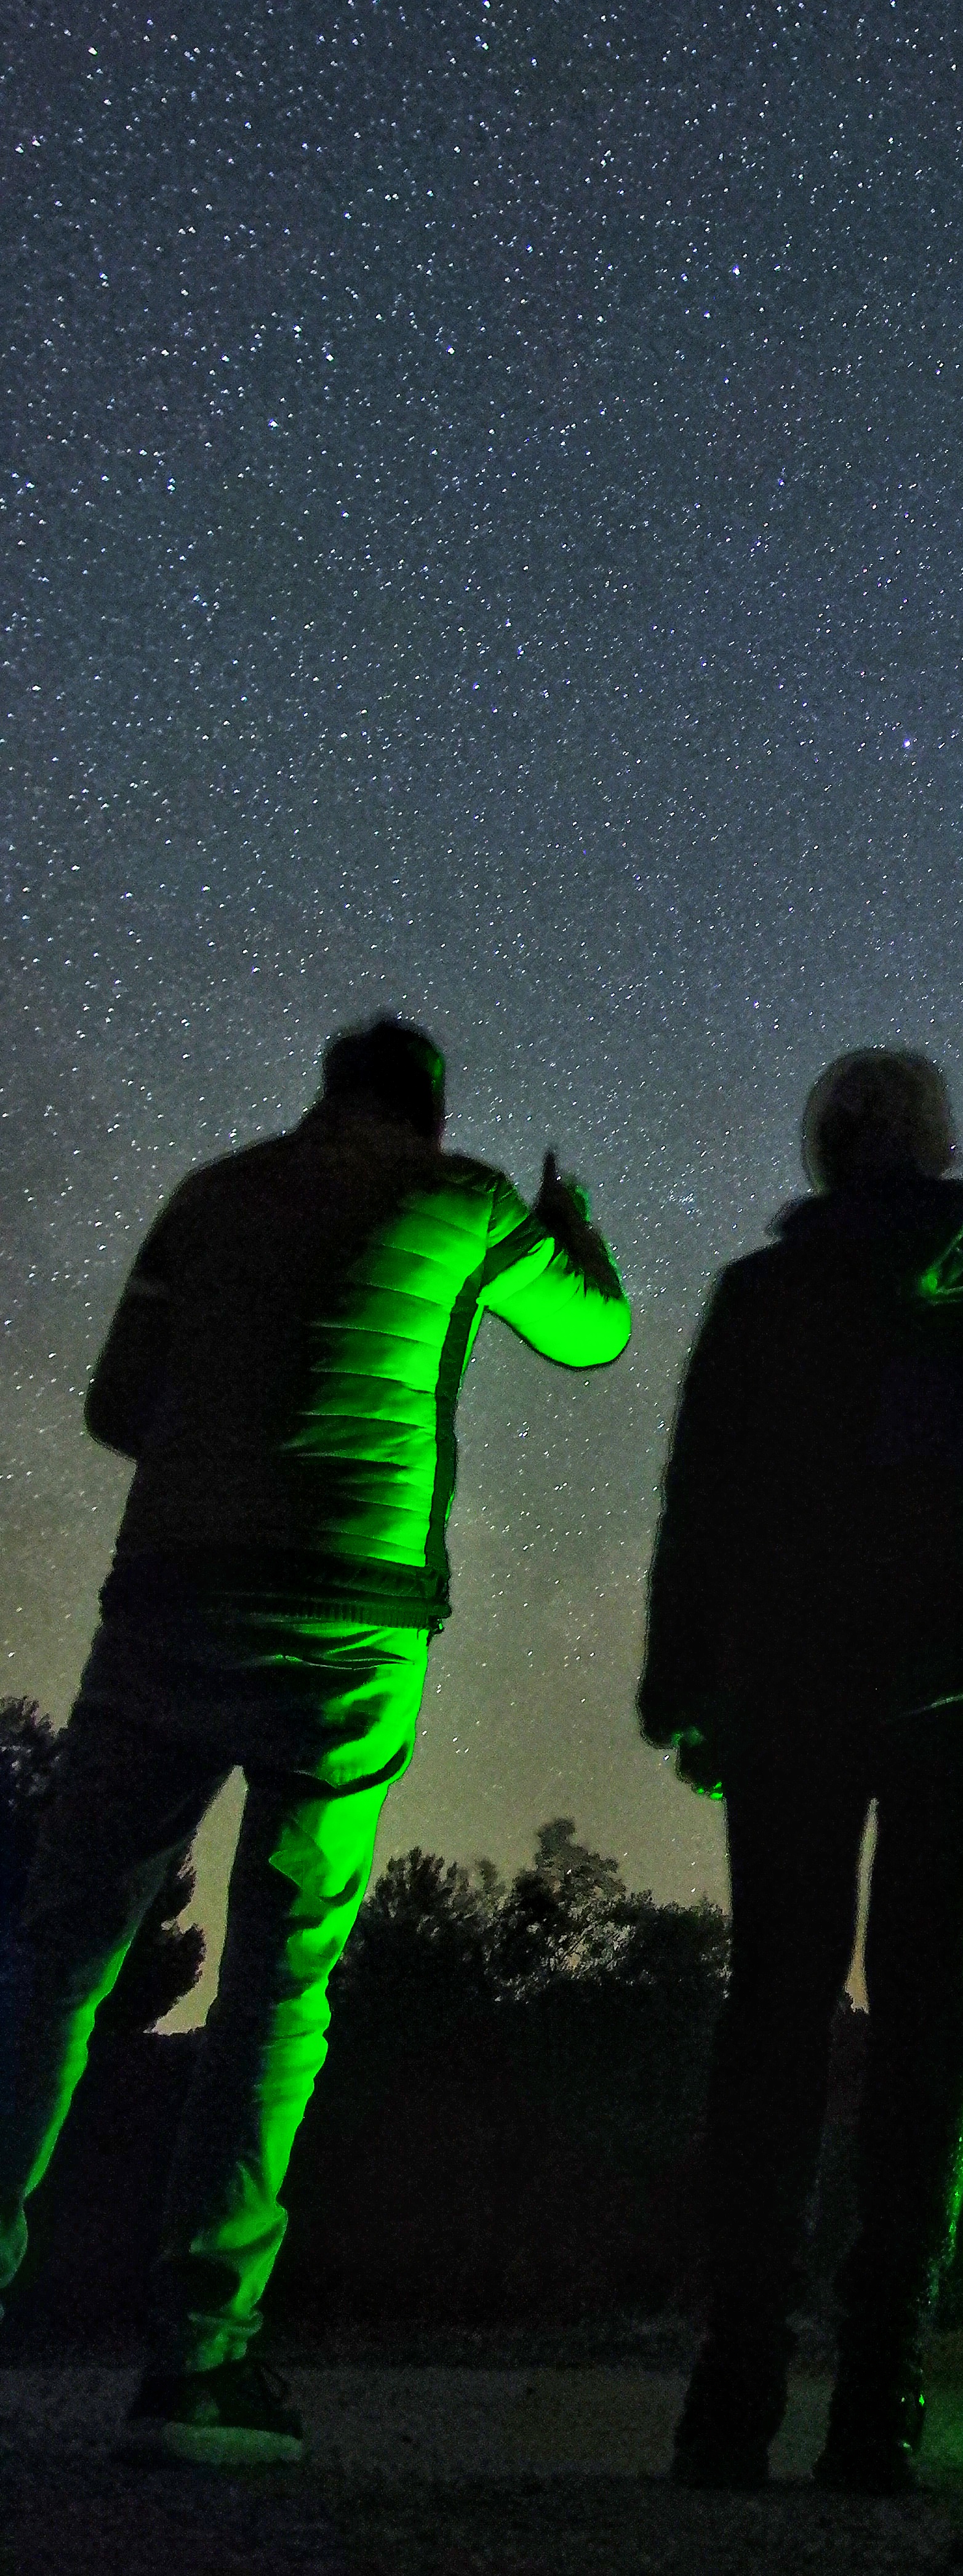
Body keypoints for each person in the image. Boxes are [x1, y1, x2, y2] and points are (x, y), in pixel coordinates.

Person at [0, 1019, 629, 2463]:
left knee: (56, 1956)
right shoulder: (466, 1205)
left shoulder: (210, 1198)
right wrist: (571, 1229)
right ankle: (199, 2364)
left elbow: (115, 1408)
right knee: (279, 1980)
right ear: (431, 1112)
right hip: (347, 1625)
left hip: (166, 1603)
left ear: (325, 1094)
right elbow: (595, 1336)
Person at [644, 989, 963, 2497]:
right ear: (927, 1140)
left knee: (774, 2003)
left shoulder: (757, 1293)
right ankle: (884, 2380)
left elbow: (698, 1489)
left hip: (788, 1674)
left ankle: (735, 2377)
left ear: (824, 1149)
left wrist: (680, 1679)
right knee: (926, 2005)